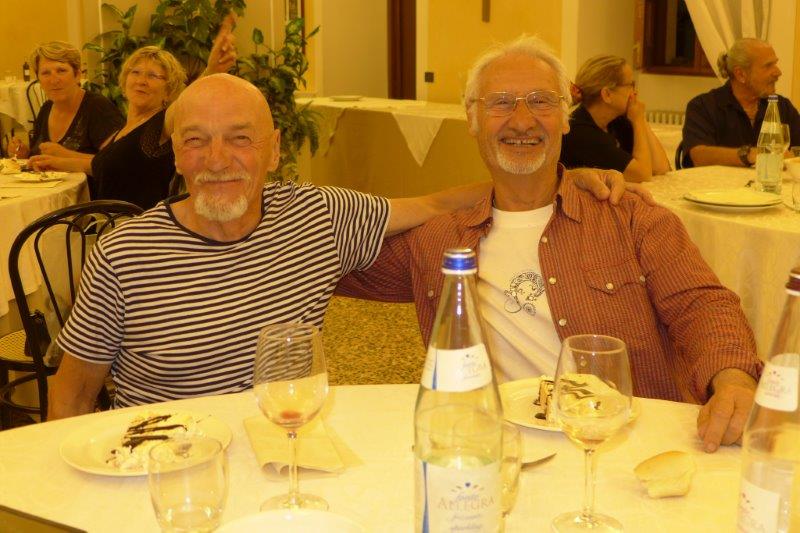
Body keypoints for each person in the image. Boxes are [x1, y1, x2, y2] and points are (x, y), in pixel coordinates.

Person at [47, 73, 629, 420]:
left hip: (287, 447)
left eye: (240, 139)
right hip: (166, 464)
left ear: (275, 150)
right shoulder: (125, 253)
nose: (217, 161)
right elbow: (72, 395)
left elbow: (434, 204)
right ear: (176, 154)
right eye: (196, 141)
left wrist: (559, 180)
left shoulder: (317, 217)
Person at [338, 35, 762, 453]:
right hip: (495, 453)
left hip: (620, 447)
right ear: (472, 119)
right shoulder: (437, 241)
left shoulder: (628, 217)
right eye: (501, 102)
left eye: (541, 101)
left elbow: (701, 305)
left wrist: (733, 378)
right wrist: (437, 202)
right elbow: (317, 244)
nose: (522, 121)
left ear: (565, 117)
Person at [28, 16, 237, 209]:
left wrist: (212, 70)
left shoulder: (159, 126)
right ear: (125, 79)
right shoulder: (125, 130)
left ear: (168, 89)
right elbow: (103, 166)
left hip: (138, 228)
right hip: (109, 224)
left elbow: (187, 103)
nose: (141, 81)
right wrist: (54, 162)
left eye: (153, 76)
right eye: (135, 72)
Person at [682, 38, 800, 167]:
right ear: (741, 75)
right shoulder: (703, 106)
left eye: (775, 64)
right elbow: (699, 156)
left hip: (771, 180)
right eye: (768, 66)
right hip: (720, 181)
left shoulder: (782, 106)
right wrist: (751, 155)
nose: (778, 72)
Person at [560, 55, 670, 182]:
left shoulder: (616, 121)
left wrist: (640, 118)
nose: (634, 92)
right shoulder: (580, 132)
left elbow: (661, 167)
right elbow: (642, 175)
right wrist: (638, 120)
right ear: (607, 94)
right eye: (631, 85)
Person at [8, 41, 124, 159]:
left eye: (61, 71)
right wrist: (25, 153)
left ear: (77, 75)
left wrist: (65, 155)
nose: (54, 80)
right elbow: (40, 157)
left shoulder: (98, 107)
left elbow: (117, 162)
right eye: (45, 73)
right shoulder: (47, 108)